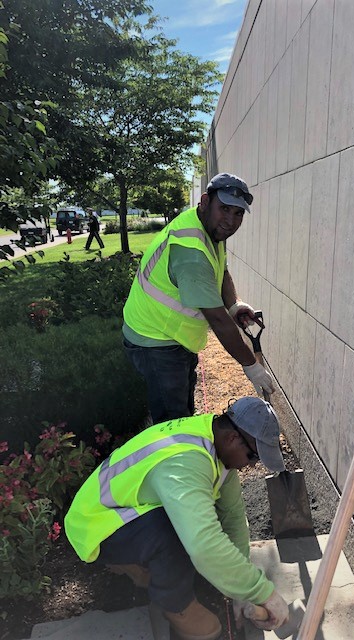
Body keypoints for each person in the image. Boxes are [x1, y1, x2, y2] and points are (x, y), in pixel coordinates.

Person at [64, 397, 289, 640]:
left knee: (193, 519)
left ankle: (136, 566)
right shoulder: (185, 461)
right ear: (233, 438)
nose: (249, 466)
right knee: (179, 529)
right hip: (95, 525)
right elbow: (204, 545)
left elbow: (233, 517)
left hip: (125, 512)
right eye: (252, 457)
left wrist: (242, 591)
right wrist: (265, 593)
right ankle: (176, 606)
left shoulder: (213, 441)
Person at [122, 172, 274, 424]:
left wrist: (234, 305)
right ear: (205, 202)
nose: (231, 221)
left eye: (238, 214)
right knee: (172, 422)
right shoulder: (191, 250)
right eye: (224, 208)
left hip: (173, 335)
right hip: (154, 338)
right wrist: (251, 366)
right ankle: (170, 457)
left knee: (182, 406)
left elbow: (221, 270)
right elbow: (217, 319)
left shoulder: (211, 230)